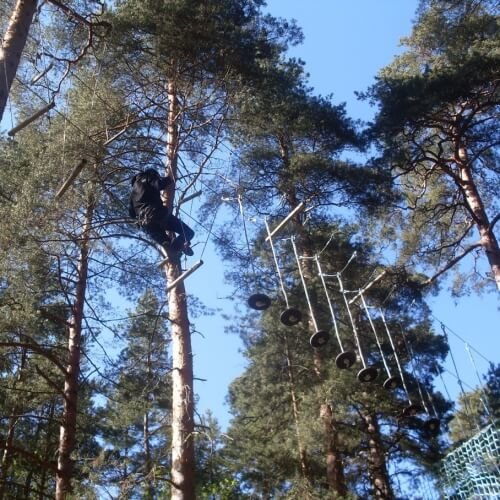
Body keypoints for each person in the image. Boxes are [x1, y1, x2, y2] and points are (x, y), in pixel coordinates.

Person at [129, 168, 194, 256]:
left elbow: (132, 214)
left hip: (146, 225)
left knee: (167, 244)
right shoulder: (147, 177)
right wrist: (169, 178)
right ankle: (177, 245)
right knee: (188, 232)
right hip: (156, 213)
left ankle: (175, 248)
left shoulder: (132, 195)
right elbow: (159, 184)